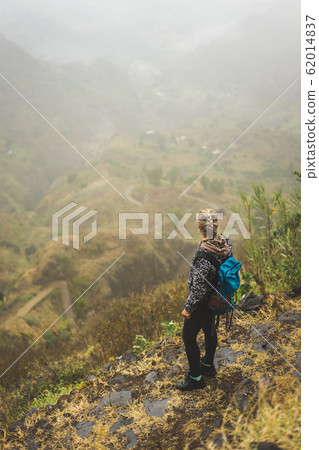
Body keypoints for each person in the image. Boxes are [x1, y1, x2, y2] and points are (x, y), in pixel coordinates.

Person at [176, 208, 233, 391]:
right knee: (209, 329)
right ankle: (208, 365)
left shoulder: (203, 255)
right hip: (217, 298)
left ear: (199, 227)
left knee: (188, 336)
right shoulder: (224, 242)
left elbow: (199, 289)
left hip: (204, 301)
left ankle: (195, 378)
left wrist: (188, 308)